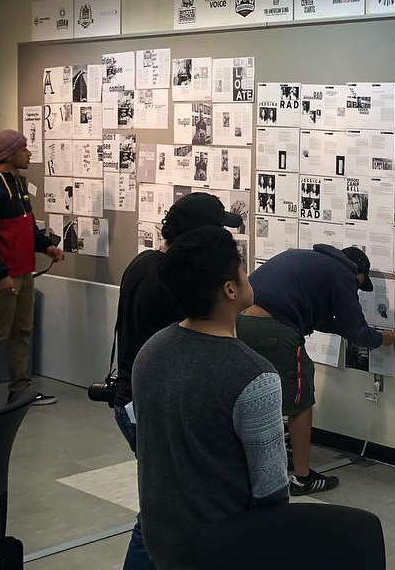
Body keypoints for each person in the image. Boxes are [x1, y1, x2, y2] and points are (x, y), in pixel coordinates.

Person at [134, 227, 287, 570]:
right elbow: (272, 489)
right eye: (242, 269)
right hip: (226, 547)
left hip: (162, 541)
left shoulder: (151, 351)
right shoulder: (254, 375)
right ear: (230, 289)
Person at [112, 193, 244, 570]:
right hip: (152, 407)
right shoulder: (177, 285)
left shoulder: (146, 262)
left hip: (132, 400)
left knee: (164, 505)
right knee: (163, 510)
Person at [238, 246, 395, 495]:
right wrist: (382, 339)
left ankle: (255, 463)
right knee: (300, 400)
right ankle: (303, 477)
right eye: (359, 284)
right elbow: (356, 331)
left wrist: (349, 329)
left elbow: (322, 320)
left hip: (240, 322)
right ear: (358, 272)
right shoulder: (344, 273)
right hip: (274, 328)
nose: (356, 289)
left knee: (256, 394)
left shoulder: (312, 262)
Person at [0, 130, 64, 416]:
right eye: (24, 148)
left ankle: (20, 390)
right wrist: (0, 275)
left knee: (22, 331)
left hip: (25, 272)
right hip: (2, 277)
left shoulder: (18, 183)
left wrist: (46, 247)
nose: (29, 153)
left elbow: (27, 227)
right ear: (9, 154)